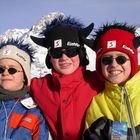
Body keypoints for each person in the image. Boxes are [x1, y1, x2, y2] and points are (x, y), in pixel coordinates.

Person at [29, 14, 104, 140]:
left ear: (81, 54)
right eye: (57, 53)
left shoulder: (98, 81)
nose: (64, 58)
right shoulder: (38, 86)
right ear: (50, 58)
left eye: (71, 51)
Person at [83, 22, 140, 140]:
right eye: (107, 60)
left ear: (132, 61)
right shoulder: (98, 104)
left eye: (121, 59)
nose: (114, 65)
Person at [0, 39, 49, 140]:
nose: (5, 73)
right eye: (0, 69)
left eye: (12, 70)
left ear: (24, 76)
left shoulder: (34, 111)